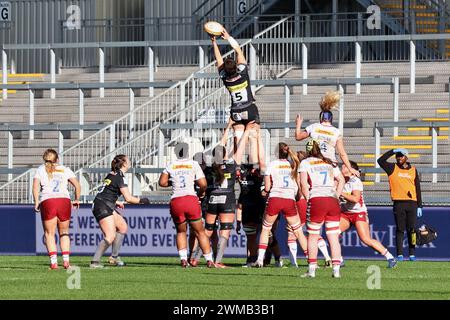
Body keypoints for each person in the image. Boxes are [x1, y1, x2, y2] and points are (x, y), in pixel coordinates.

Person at [205, 120, 256, 268]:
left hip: (213, 198)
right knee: (224, 232)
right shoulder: (232, 163)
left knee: (207, 231)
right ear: (225, 152)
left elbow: (220, 147)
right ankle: (217, 261)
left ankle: (194, 258)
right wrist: (246, 130)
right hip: (227, 198)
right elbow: (240, 146)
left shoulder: (212, 165)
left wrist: (228, 127)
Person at [159, 143, 215, 268]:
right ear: (187, 152)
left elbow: (162, 183)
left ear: (175, 152)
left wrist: (173, 182)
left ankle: (183, 260)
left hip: (177, 200)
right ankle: (209, 260)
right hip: (190, 199)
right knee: (200, 231)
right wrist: (201, 193)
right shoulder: (194, 164)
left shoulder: (171, 165)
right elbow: (203, 184)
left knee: (181, 231)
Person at [90, 154, 150, 268]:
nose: (130, 162)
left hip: (104, 203)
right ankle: (95, 262)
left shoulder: (114, 174)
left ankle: (114, 257)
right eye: (128, 160)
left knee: (122, 226)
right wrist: (142, 200)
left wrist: (116, 202)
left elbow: (106, 192)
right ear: (124, 163)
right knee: (110, 236)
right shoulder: (119, 177)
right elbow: (128, 198)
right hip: (102, 205)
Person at [210, 27, 260, 157]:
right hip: (249, 108)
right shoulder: (242, 72)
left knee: (238, 137)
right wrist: (228, 38)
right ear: (236, 67)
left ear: (225, 70)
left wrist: (214, 43)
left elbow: (218, 60)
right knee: (253, 138)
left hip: (236, 111)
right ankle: (254, 166)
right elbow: (238, 51)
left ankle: (237, 167)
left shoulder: (225, 78)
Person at [299, 139, 345, 278]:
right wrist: (336, 196)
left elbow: (303, 184)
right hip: (332, 200)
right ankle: (336, 271)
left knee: (313, 236)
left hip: (317, 199)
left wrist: (308, 199)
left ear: (308, 151)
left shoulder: (305, 163)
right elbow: (341, 180)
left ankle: (312, 270)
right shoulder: (329, 162)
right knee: (333, 236)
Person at [339, 160, 397, 268]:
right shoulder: (339, 180)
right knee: (334, 232)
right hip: (345, 213)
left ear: (351, 169)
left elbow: (355, 199)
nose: (342, 169)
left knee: (365, 239)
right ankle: (339, 259)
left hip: (358, 212)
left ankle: (390, 257)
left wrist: (340, 193)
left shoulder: (355, 181)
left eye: (344, 167)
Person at [255, 142, 304, 268]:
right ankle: (311, 260)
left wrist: (264, 192)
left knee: (266, 229)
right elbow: (298, 187)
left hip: (275, 198)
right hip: (289, 199)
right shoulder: (293, 164)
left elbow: (267, 187)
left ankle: (260, 260)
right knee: (298, 231)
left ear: (276, 153)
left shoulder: (272, 164)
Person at [32, 149, 81, 270]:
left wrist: (37, 201)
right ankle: (66, 262)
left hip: (48, 201)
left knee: (49, 233)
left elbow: (35, 187)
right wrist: (76, 199)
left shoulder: (40, 169)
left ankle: (54, 263)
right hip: (64, 200)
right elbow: (78, 185)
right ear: (57, 159)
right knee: (64, 232)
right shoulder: (65, 169)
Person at [295, 91, 359, 177]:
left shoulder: (314, 127)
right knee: (341, 181)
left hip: (313, 163)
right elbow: (342, 153)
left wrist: (298, 124)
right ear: (331, 119)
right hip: (330, 163)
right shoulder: (336, 132)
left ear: (321, 118)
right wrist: (350, 168)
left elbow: (298, 137)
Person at [287, 151, 331, 268]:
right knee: (313, 232)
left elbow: (299, 189)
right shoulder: (314, 169)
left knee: (292, 232)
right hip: (312, 200)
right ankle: (327, 257)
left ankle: (293, 263)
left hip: (300, 202)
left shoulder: (298, 171)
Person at [377, 148, 423, 261]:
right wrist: (392, 151)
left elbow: (417, 188)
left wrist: (420, 205)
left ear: (406, 157)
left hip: (412, 204)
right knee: (400, 229)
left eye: (401, 156)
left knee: (412, 230)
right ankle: (400, 254)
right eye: (397, 156)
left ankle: (412, 253)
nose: (399, 158)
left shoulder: (413, 170)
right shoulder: (392, 168)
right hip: (398, 203)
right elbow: (380, 161)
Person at [188, 152, 219, 267]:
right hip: (195, 206)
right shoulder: (191, 172)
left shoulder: (211, 172)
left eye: (202, 162)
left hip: (210, 206)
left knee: (213, 233)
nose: (200, 164)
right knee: (193, 233)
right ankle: (191, 256)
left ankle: (215, 257)